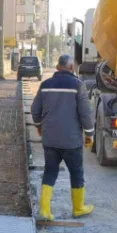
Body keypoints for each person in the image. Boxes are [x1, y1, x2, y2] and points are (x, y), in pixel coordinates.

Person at [31, 54, 96, 219]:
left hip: (50, 138)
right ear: (72, 68)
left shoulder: (45, 85)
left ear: (57, 67)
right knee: (76, 172)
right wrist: (89, 134)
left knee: (50, 171)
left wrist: (39, 126)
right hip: (71, 141)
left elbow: (35, 110)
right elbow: (85, 113)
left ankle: (45, 211)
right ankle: (78, 208)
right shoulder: (77, 85)